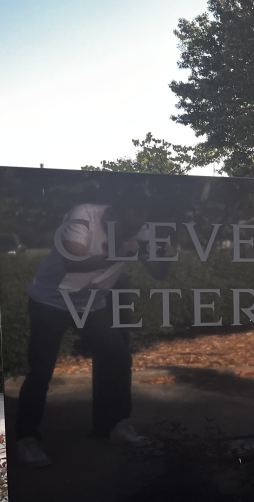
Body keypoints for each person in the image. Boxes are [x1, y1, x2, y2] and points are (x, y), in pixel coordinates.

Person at [15, 198, 175, 467]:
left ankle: (119, 426)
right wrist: (119, 251)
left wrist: (168, 259)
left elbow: (157, 272)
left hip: (91, 304)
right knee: (42, 370)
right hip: (51, 300)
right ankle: (26, 438)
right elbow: (72, 261)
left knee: (118, 357)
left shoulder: (138, 227)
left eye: (137, 226)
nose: (133, 231)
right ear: (112, 215)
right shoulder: (83, 216)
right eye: (127, 226)